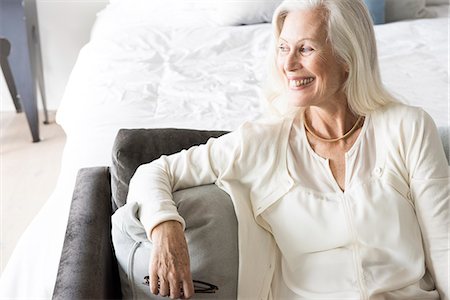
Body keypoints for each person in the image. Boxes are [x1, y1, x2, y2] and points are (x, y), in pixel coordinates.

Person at [124, 0, 449, 299]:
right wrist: (166, 227)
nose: (289, 64)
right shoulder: (262, 141)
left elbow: (443, 247)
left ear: (348, 58)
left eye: (305, 49)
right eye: (283, 48)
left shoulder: (409, 128)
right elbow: (152, 172)